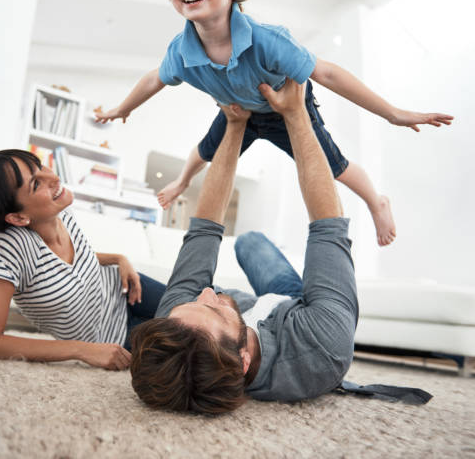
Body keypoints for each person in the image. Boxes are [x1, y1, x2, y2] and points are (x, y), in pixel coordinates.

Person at [93, 0, 453, 247]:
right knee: (204, 151)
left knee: (334, 167)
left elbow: (326, 73)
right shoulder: (180, 52)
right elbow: (154, 79)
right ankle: (184, 180)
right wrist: (124, 108)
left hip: (286, 106)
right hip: (239, 110)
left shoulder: (268, 40)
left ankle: (377, 200)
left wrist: (393, 113)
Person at [130, 78, 361, 413]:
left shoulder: (179, 324)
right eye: (212, 309)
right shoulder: (323, 345)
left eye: (198, 302)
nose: (206, 293)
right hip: (296, 305)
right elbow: (327, 228)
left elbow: (204, 230)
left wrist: (235, 124)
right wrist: (297, 115)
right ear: (242, 361)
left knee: (247, 243)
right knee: (254, 241)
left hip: (254, 305)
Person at [0, 149, 166, 370]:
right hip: (116, 337)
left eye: (40, 166)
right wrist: (82, 350)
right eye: (36, 184)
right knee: (198, 341)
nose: (53, 177)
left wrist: (119, 259)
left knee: (202, 302)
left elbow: (72, 262)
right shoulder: (8, 249)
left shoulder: (62, 216)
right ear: (18, 217)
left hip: (130, 290)